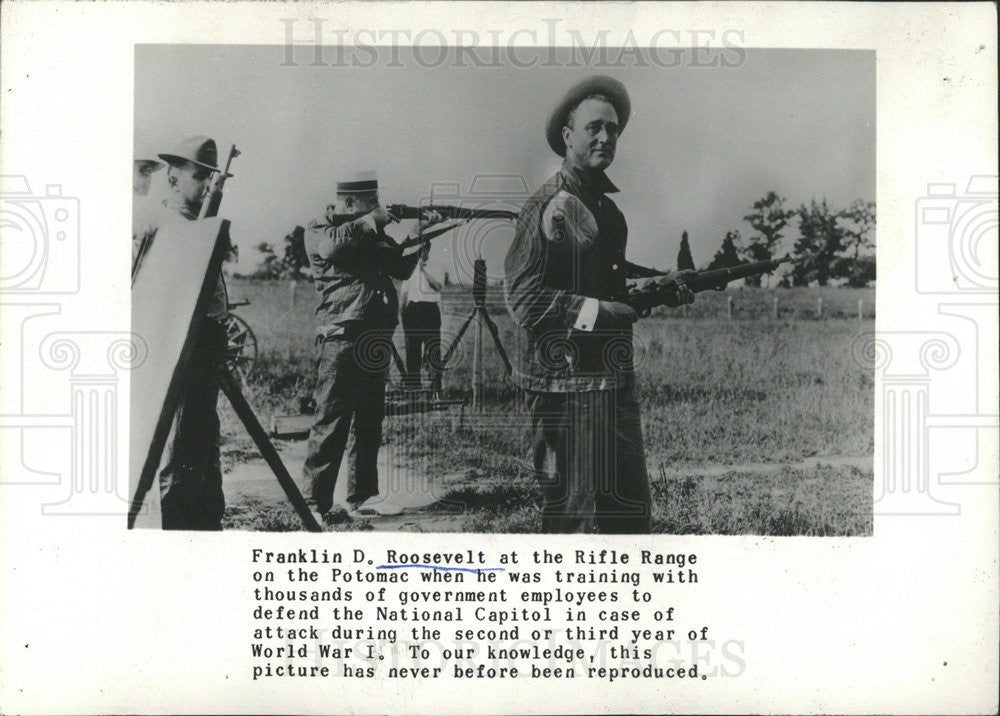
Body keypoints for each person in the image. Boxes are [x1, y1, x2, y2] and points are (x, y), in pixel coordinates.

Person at [504, 76, 696, 533]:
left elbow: (609, 282)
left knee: (628, 517)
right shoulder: (545, 205)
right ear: (567, 137)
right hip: (564, 389)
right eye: (593, 127)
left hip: (613, 382)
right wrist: (603, 313)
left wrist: (661, 287)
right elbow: (524, 298)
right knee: (576, 525)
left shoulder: (609, 213)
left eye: (612, 129)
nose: (605, 137)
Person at [302, 171, 442, 525]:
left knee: (369, 421)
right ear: (350, 203)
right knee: (332, 421)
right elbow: (330, 248)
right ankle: (313, 503)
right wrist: (371, 220)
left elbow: (399, 266)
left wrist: (419, 235)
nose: (379, 208)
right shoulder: (322, 228)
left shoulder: (366, 231)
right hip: (342, 335)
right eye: (371, 202)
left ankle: (361, 496)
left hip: (375, 335)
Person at [136, 135, 230, 529]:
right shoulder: (159, 222)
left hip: (207, 337)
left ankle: (206, 517)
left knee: (203, 430)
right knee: (180, 433)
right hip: (177, 342)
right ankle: (180, 519)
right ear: (173, 177)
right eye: (199, 176)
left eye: (211, 178)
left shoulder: (196, 225)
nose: (207, 185)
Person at [400, 241, 444, 394]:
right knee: (412, 352)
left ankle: (437, 390)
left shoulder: (436, 266)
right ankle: (414, 389)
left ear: (427, 251)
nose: (421, 254)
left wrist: (423, 271)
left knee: (433, 352)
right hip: (412, 311)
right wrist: (400, 314)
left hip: (430, 310)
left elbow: (438, 286)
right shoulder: (409, 268)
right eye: (419, 251)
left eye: (423, 251)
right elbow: (404, 294)